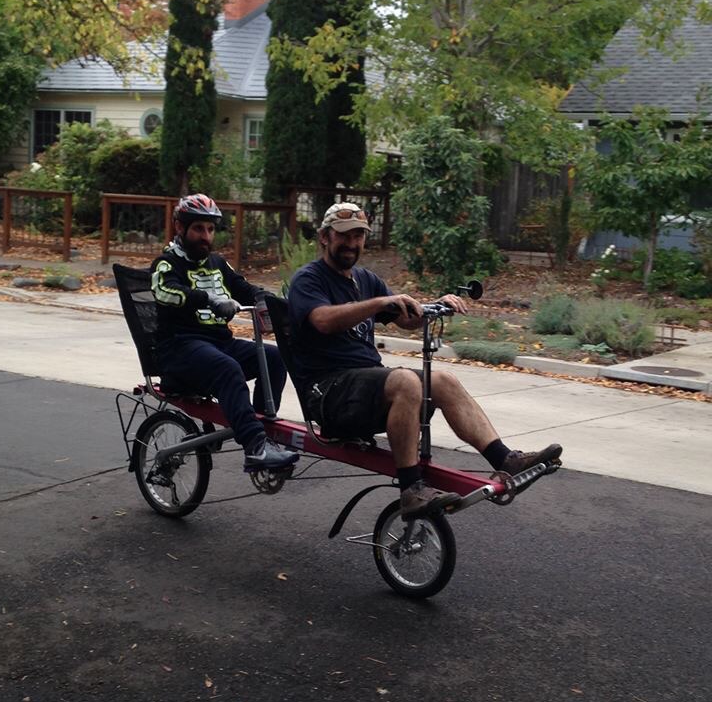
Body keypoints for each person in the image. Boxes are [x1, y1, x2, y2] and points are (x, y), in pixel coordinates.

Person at [287, 201, 562, 519]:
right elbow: (322, 320)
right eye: (344, 235)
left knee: (443, 380)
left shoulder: (364, 280)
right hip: (329, 394)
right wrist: (379, 302)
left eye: (359, 236)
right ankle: (411, 489)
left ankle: (505, 460)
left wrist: (435, 304)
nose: (352, 243)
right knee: (404, 380)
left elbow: (405, 319)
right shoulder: (309, 279)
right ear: (324, 237)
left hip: (365, 390)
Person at [151, 194, 298, 472]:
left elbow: (243, 287)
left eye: (210, 229)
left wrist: (267, 299)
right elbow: (165, 292)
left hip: (218, 345)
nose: (205, 236)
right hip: (179, 350)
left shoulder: (217, 262)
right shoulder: (167, 263)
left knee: (275, 358)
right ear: (180, 228)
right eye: (198, 229)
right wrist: (207, 299)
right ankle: (255, 447)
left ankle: (262, 428)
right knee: (227, 368)